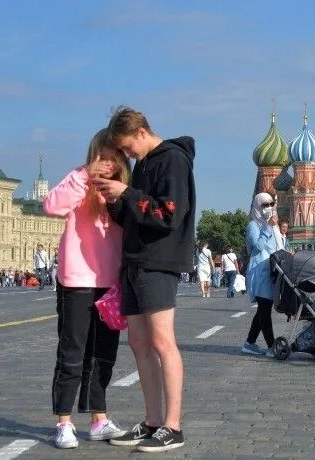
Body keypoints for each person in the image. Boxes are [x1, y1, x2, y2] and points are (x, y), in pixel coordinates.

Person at [93, 106, 195, 452]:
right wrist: (112, 199)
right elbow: (133, 216)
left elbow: (168, 213)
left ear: (141, 132)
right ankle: (151, 421)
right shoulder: (143, 165)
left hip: (158, 262)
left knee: (163, 343)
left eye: (127, 148)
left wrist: (126, 193)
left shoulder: (173, 160)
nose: (126, 155)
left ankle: (173, 426)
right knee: (138, 344)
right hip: (134, 261)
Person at [43, 128, 131, 448]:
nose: (107, 165)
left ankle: (99, 418)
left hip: (110, 284)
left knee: (103, 355)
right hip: (77, 281)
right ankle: (63, 423)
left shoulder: (124, 191)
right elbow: (51, 205)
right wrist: (84, 175)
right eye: (102, 158)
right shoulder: (78, 182)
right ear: (92, 157)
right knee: (72, 353)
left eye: (114, 159)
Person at [241, 192, 279, 355]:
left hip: (270, 270)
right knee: (264, 308)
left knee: (263, 309)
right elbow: (258, 246)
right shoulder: (253, 226)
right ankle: (271, 346)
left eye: (271, 204)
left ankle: (250, 343)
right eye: (264, 205)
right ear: (257, 206)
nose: (268, 208)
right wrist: (267, 227)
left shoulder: (271, 225)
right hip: (259, 271)